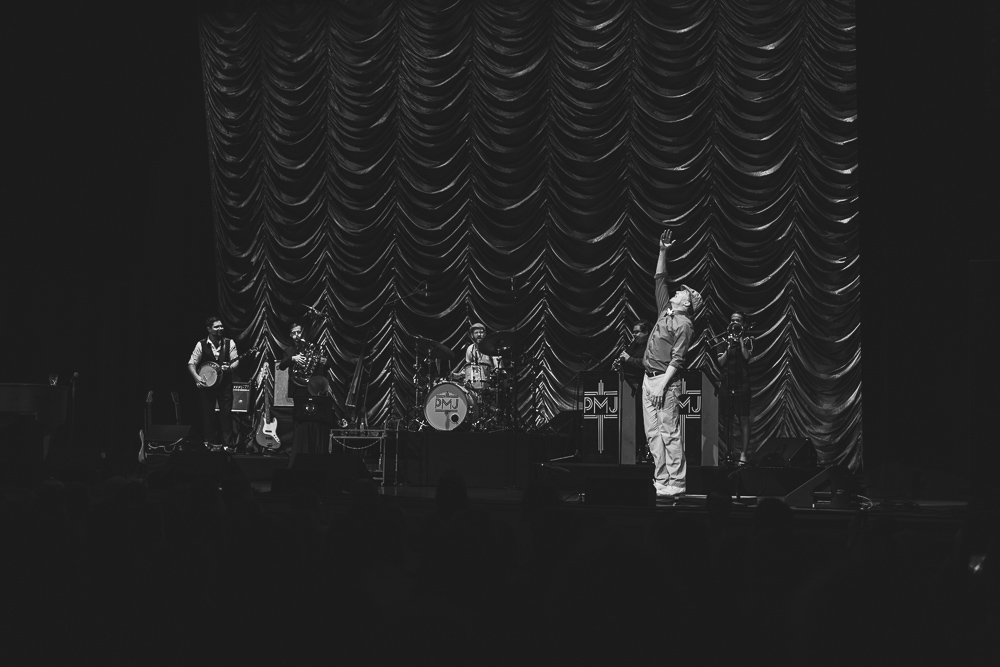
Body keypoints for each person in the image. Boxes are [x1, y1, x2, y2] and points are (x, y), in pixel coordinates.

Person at [641, 231, 702, 499]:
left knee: (669, 433)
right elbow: (660, 280)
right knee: (653, 434)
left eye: (683, 292)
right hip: (649, 378)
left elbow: (678, 360)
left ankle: (677, 482)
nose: (679, 291)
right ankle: (661, 479)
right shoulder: (666, 310)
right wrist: (663, 251)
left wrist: (661, 386)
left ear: (687, 303)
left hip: (665, 382)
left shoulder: (685, 324)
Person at [187, 316, 240, 451]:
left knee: (226, 415)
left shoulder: (230, 343)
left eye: (221, 326)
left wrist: (231, 368)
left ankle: (228, 445)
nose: (220, 329)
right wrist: (197, 378)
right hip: (207, 386)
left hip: (225, 385)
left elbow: (236, 361)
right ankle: (209, 443)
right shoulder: (201, 344)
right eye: (216, 327)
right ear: (209, 329)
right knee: (208, 415)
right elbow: (191, 363)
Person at [717, 312, 753, 465]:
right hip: (726, 382)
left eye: (738, 320)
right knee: (727, 419)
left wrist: (740, 342)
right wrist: (730, 345)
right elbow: (721, 362)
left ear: (743, 323)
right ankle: (729, 452)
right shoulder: (723, 340)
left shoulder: (748, 339)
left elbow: (746, 357)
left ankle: (743, 454)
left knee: (743, 418)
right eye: (732, 320)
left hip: (742, 383)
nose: (735, 323)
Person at [618, 320, 652, 463]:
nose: (634, 335)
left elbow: (645, 364)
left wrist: (629, 359)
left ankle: (644, 452)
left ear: (646, 333)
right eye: (633, 332)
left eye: (637, 332)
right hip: (631, 389)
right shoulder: (635, 345)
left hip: (644, 387)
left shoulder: (651, 346)